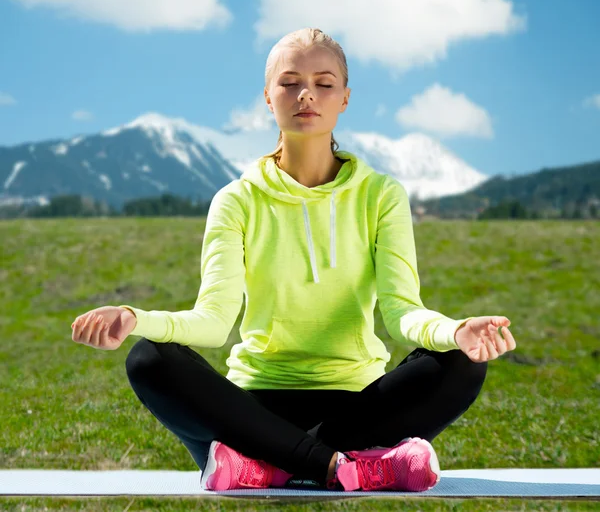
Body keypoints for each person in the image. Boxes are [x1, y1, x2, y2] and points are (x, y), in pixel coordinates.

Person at [71, 27, 517, 493]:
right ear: (267, 97)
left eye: (324, 84)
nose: (307, 94)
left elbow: (402, 312)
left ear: (344, 98)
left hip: (357, 407)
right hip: (252, 411)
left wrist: (455, 331)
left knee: (462, 363)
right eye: (289, 83)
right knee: (147, 359)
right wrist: (132, 317)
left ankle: (269, 467)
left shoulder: (382, 195)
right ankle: (347, 467)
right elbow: (212, 321)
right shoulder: (236, 200)